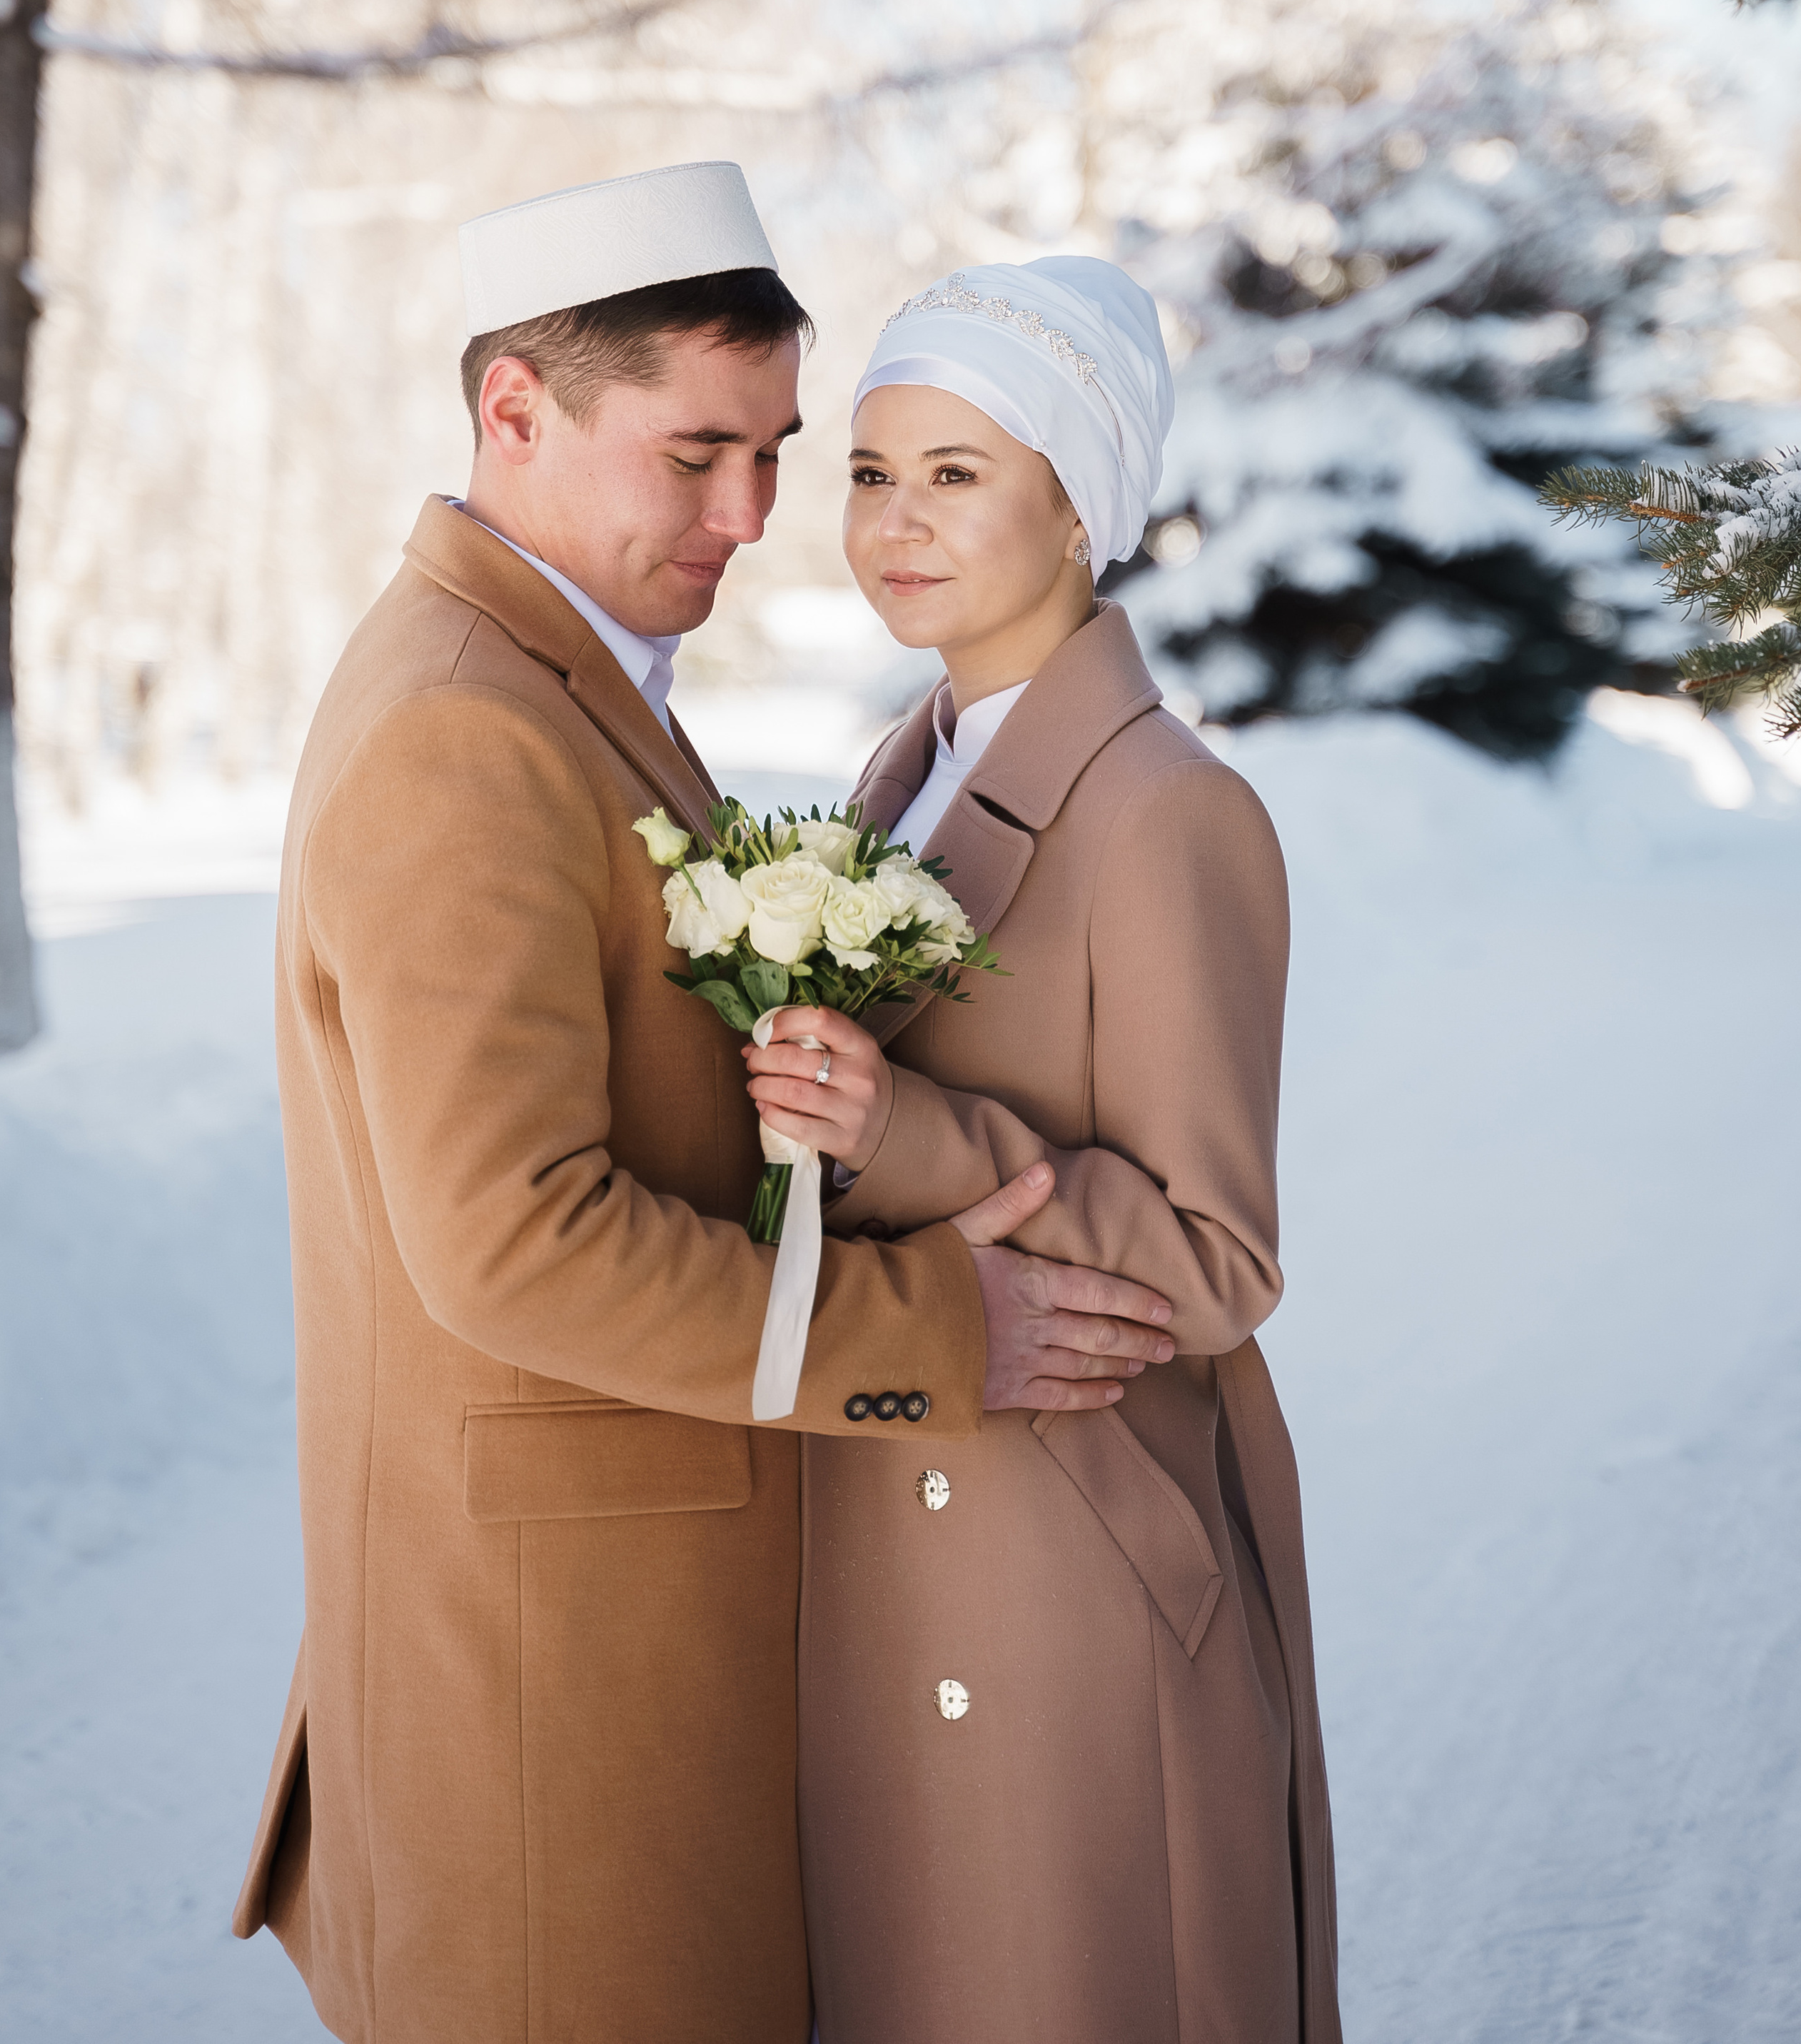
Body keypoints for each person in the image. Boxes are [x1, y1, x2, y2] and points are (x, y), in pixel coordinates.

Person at [231, 172, 1179, 2044]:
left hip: (610, 1648)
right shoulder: (464, 732)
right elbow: (511, 1240)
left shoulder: (560, 682)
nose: (751, 517)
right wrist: (934, 1330)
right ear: (515, 409)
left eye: (775, 454)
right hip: (551, 1696)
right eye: (696, 454)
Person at [743, 256, 1343, 2044]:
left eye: (955, 474)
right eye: (867, 472)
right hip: (891, 1503)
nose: (892, 524)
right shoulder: (888, 775)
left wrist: (911, 1135)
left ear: (1082, 505)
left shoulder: (1170, 815)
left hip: (1072, 1557)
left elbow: (1218, 1265)